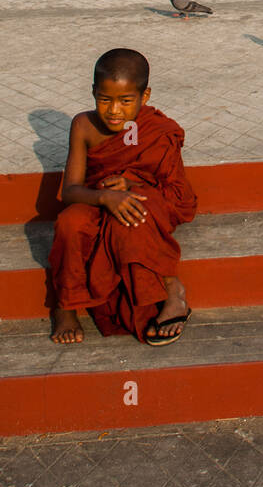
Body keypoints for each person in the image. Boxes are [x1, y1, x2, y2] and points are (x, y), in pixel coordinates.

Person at [49, 48, 197, 346]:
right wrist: (104, 198)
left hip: (140, 201)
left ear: (145, 97)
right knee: (70, 222)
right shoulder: (83, 125)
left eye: (125, 101)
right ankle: (65, 306)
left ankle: (171, 289)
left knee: (135, 208)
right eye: (105, 99)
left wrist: (131, 185)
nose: (114, 110)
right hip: (96, 199)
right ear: (93, 93)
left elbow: (178, 195)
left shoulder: (158, 130)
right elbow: (70, 191)